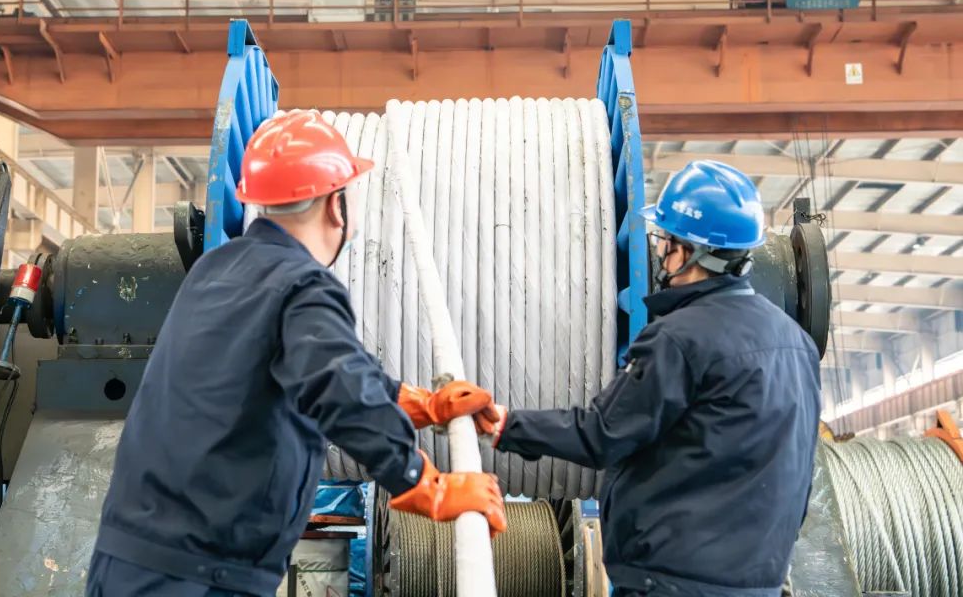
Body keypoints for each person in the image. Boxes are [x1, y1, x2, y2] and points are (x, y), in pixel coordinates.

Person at [86, 109, 506, 597]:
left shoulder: (214, 270)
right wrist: (423, 482)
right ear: (335, 206)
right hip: (200, 576)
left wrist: (421, 404)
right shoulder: (303, 285)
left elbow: (317, 366)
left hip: (125, 562)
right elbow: (339, 388)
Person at [487, 160, 821, 597]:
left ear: (689, 252)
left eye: (665, 239)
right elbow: (802, 468)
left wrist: (505, 424)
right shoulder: (798, 344)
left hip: (675, 582)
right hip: (760, 583)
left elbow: (602, 434)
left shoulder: (680, 338)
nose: (660, 251)